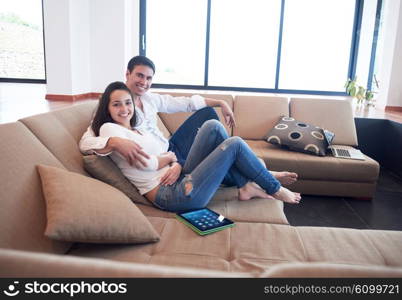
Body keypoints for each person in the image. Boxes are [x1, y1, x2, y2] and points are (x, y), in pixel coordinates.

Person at [92, 81, 301, 212]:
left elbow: (165, 153)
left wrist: (174, 162)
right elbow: (147, 164)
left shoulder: (139, 128)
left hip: (177, 177)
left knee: (213, 125)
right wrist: (115, 142)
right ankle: (274, 188)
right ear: (107, 108)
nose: (124, 109)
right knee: (234, 144)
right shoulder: (110, 130)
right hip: (171, 195)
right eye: (116, 104)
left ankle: (248, 185)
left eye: (127, 103)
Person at [80, 55, 236, 186]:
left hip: (172, 146)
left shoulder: (150, 98)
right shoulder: (115, 106)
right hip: (161, 157)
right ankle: (242, 178)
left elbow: (186, 103)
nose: (144, 82)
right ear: (127, 74)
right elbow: (85, 142)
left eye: (149, 78)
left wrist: (221, 102)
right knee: (218, 148)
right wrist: (113, 142)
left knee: (207, 113)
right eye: (140, 75)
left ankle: (238, 176)